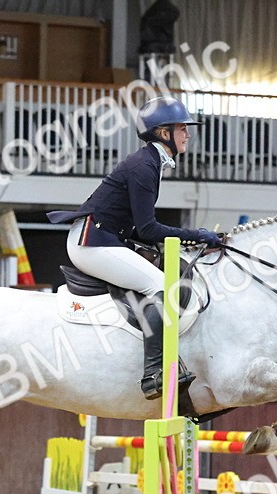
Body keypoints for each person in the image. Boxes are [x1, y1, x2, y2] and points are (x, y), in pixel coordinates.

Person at [47, 96, 223, 400]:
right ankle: (154, 371)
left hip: (107, 239)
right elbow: (149, 228)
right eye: (182, 128)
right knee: (162, 286)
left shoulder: (150, 162)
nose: (188, 134)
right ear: (164, 133)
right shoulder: (144, 166)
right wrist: (198, 235)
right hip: (92, 243)